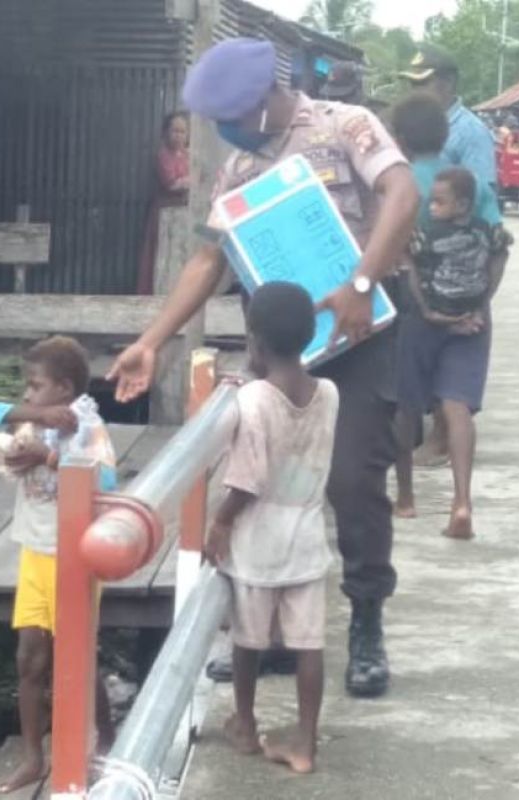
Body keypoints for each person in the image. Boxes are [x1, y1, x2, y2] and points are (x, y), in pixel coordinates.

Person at [107, 38, 419, 699]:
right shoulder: (240, 168)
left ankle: (366, 623)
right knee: (265, 485)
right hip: (279, 354)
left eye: (229, 116)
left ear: (263, 99)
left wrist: (362, 283)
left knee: (353, 482)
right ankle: (273, 634)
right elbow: (208, 260)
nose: (224, 130)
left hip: (359, 335)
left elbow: (401, 193)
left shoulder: (345, 125)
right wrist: (152, 341)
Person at [0, 336, 117, 793]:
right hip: (35, 553)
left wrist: (50, 457)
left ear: (65, 388)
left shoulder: (87, 427)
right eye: (26, 387)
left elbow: (106, 478)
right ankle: (33, 757)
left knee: (78, 658)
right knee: (29, 660)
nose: (27, 394)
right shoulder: (31, 420)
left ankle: (104, 737)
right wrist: (34, 416)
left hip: (75, 559)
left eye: (36, 386)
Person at [204, 282, 339, 775]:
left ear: (254, 341)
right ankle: (304, 740)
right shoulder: (330, 393)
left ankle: (243, 721)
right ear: (308, 335)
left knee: (248, 640)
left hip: (259, 541)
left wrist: (220, 521)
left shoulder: (254, 399)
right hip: (307, 535)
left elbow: (247, 478)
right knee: (308, 644)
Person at [388, 93, 509, 524]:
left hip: (418, 311)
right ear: (444, 136)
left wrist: (427, 307)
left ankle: (405, 499)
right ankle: (462, 502)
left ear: (399, 139)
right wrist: (479, 304)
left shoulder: (399, 183)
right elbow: (498, 247)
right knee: (457, 407)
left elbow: (395, 254)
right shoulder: (467, 184)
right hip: (473, 313)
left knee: (405, 407)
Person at [400, 45, 497, 194]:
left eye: (422, 83)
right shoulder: (406, 125)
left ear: (448, 83)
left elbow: (483, 198)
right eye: (412, 84)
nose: (415, 91)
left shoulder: (472, 133)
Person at [137, 112, 191, 294]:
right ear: (166, 133)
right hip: (164, 212)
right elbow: (172, 184)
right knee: (161, 254)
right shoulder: (163, 156)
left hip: (184, 214)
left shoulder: (188, 155)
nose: (179, 136)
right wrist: (192, 180)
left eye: (183, 132)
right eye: (175, 131)